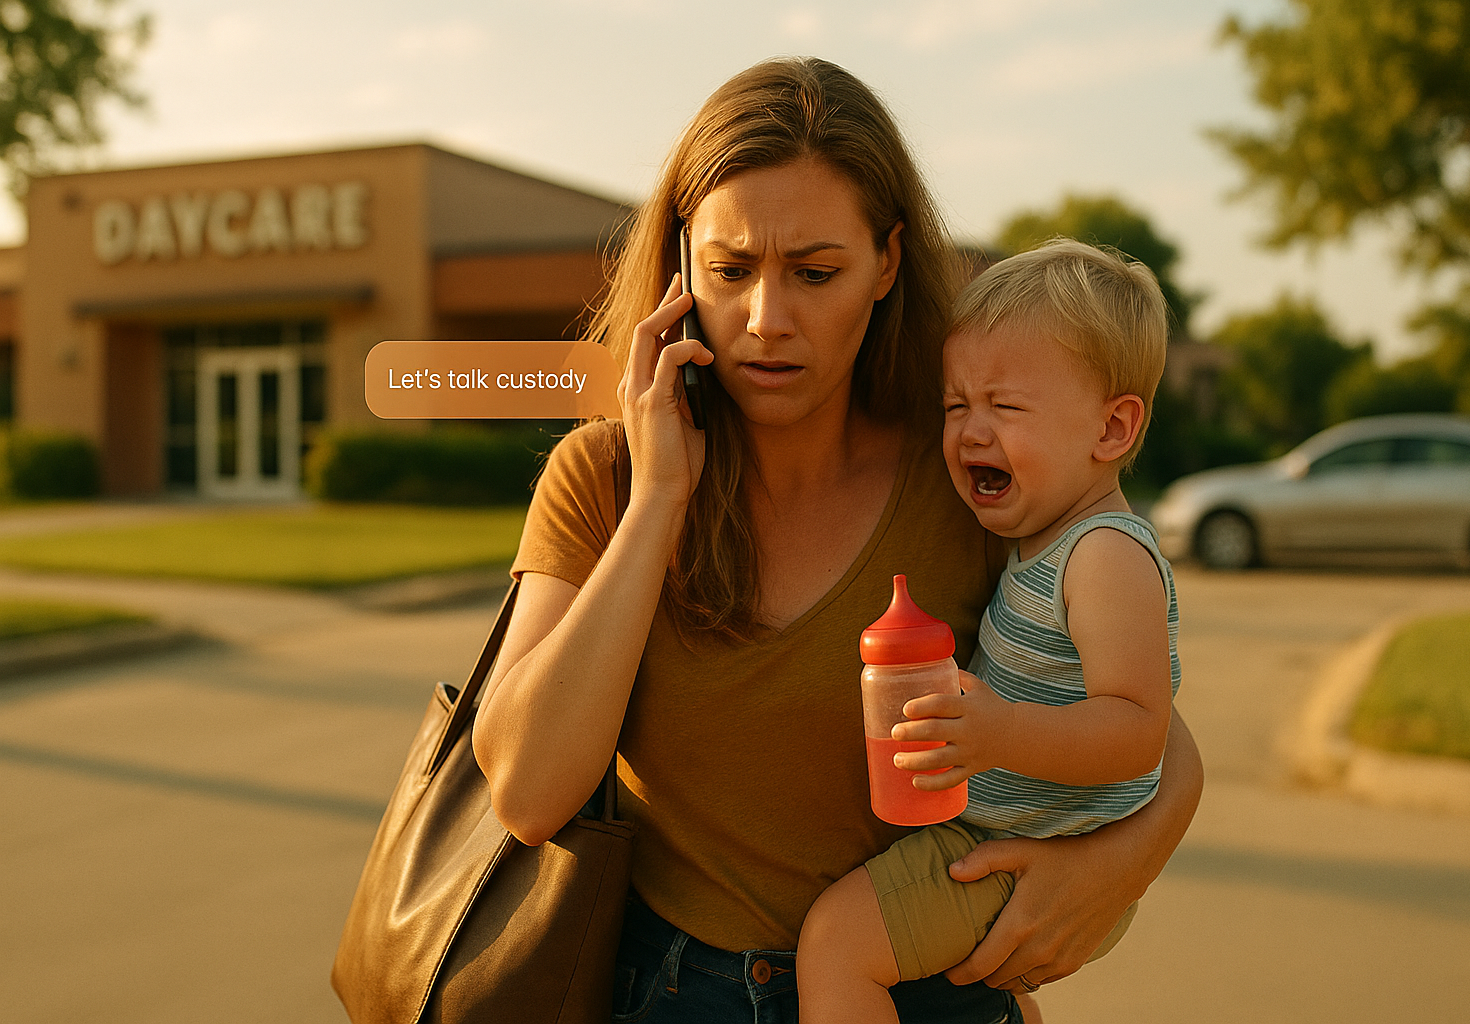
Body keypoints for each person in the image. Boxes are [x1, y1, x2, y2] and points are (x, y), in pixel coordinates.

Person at [471, 57, 1203, 1024]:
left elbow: (1156, 737)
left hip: (924, 996)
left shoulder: (968, 476)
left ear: (888, 265)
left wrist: (1115, 865)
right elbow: (527, 792)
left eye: (816, 273)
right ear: (682, 264)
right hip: (671, 995)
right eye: (730, 271)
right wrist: (657, 504)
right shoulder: (603, 480)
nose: (767, 321)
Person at [796, 240, 1182, 1024]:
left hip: (1027, 848)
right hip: (1011, 830)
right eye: (956, 405)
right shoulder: (1045, 541)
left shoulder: (1104, 555)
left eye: (1004, 407)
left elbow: (1142, 730)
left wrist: (1000, 733)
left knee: (837, 943)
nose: (972, 432)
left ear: (1112, 428)